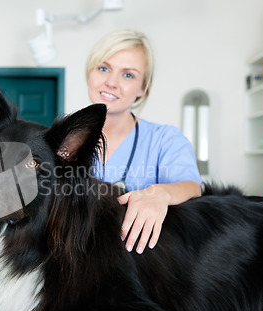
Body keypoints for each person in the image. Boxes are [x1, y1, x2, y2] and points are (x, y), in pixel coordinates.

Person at [86, 30, 202, 254]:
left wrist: (159, 194)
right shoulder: (65, 140)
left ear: (142, 89)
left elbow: (192, 188)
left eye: (128, 75)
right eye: (103, 68)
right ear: (90, 73)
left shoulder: (165, 140)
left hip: (141, 272)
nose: (111, 82)